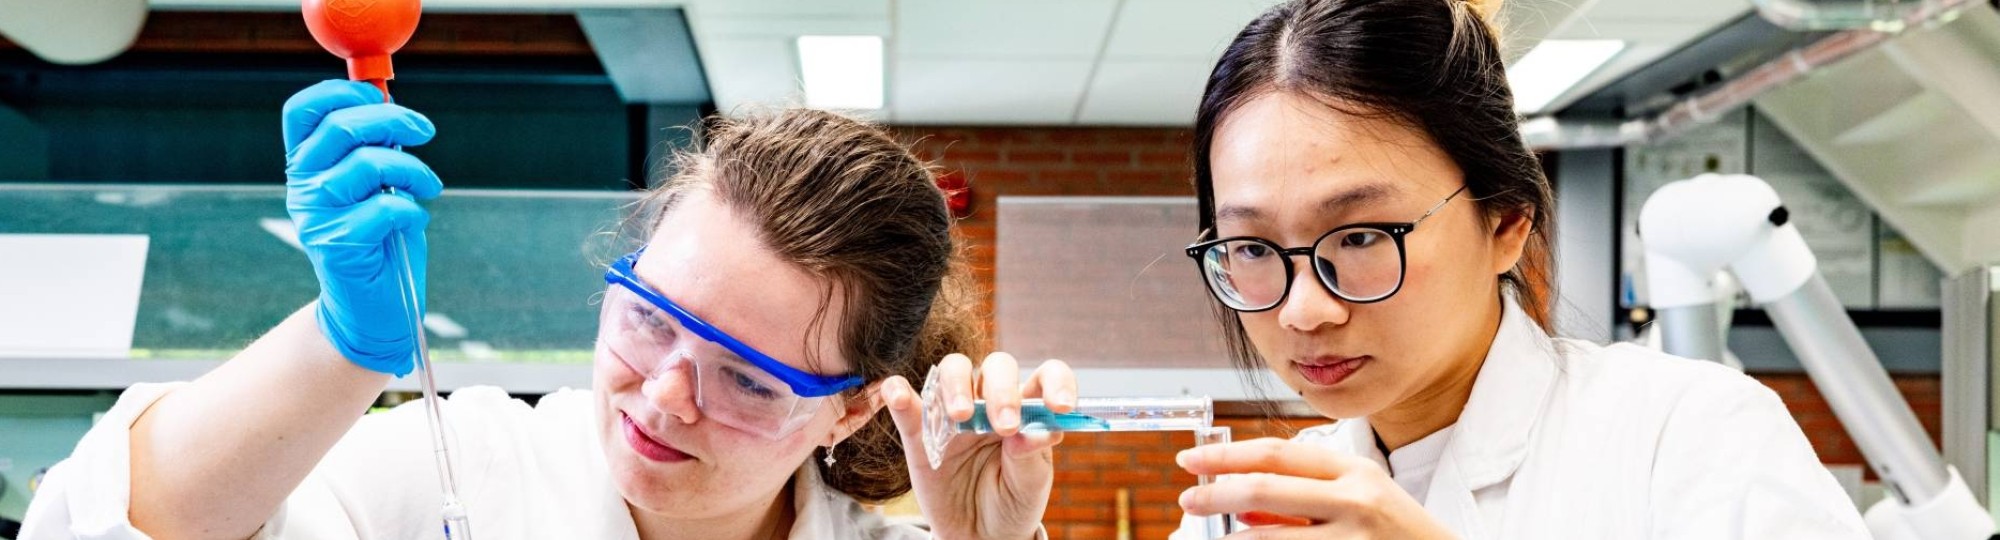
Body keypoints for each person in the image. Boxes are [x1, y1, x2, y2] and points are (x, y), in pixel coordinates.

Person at [22, 80, 1074, 540]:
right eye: (650, 316)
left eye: (748, 378)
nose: (663, 395)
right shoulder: (454, 474)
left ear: (848, 410)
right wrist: (338, 347)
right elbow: (109, 532)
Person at [1164, 0, 1870, 537]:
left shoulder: (1689, 434)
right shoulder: (1257, 504)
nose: (1304, 311)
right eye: (1253, 248)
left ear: (1505, 223)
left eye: (1359, 238)